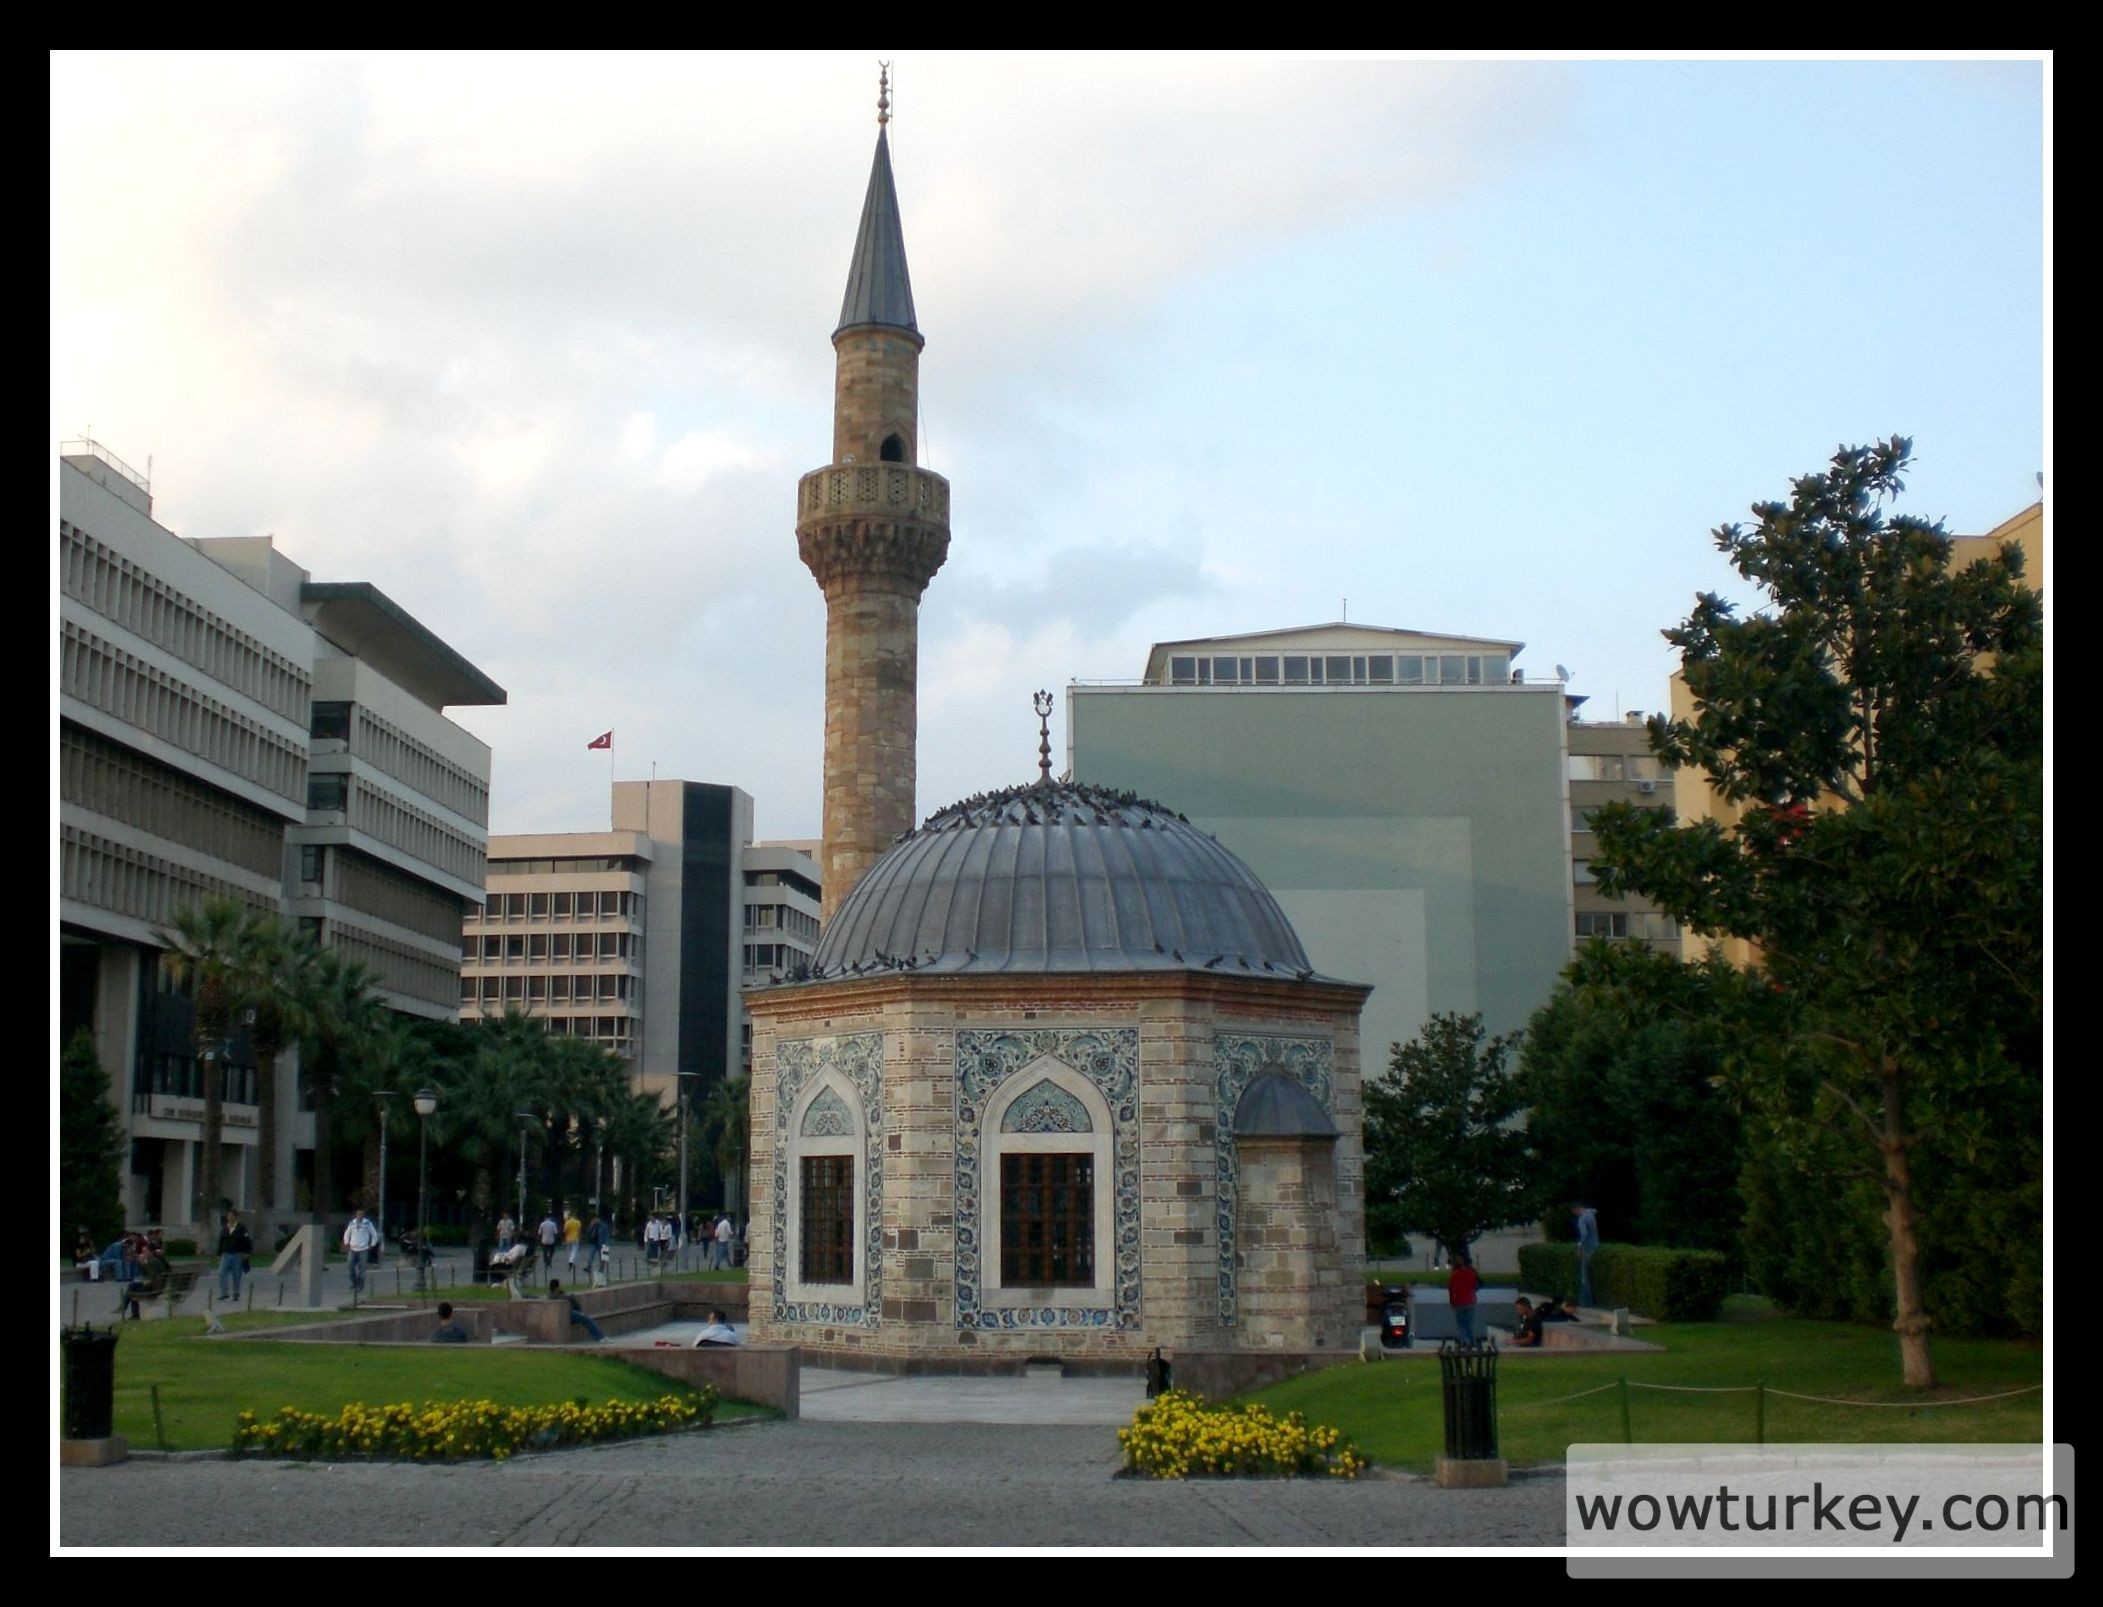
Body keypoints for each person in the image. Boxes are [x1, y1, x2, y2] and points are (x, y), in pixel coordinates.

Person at [118, 1238, 170, 1320]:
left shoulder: (152, 1261)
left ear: (150, 1252)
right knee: (133, 1286)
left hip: (154, 1288)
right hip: (160, 1286)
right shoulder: (158, 1259)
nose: (143, 1253)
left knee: (133, 1290)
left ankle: (130, 1312)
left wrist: (142, 1264)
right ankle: (124, 1307)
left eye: (145, 1251)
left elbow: (151, 1277)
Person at [216, 1208, 253, 1302]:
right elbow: (221, 1241)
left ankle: (236, 1293)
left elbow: (247, 1240)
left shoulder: (241, 1228)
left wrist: (247, 1252)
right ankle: (224, 1293)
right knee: (221, 1273)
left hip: (237, 1254)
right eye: (228, 1216)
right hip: (226, 1254)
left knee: (236, 1275)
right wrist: (219, 1253)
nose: (229, 1217)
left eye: (232, 1216)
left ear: (235, 1217)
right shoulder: (224, 1228)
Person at [343, 1207, 380, 1295]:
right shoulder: (352, 1223)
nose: (360, 1216)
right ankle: (354, 1282)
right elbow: (347, 1233)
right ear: (356, 1215)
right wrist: (346, 1243)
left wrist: (372, 1244)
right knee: (350, 1266)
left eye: (361, 1214)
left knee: (362, 1268)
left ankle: (360, 1285)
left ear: (363, 1215)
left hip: (363, 1249)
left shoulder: (367, 1223)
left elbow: (374, 1234)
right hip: (353, 1248)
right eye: (358, 1214)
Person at [1448, 1248, 1481, 1345]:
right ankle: (1472, 1341)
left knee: (1461, 1324)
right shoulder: (1471, 1273)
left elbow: (1451, 1290)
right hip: (1470, 1301)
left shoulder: (1454, 1276)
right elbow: (1475, 1286)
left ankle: (1465, 1341)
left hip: (1459, 1302)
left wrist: (1452, 1302)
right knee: (1469, 1323)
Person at [1573, 1202, 1600, 1309]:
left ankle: (1586, 1301)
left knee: (1584, 1276)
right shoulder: (1591, 1214)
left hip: (1587, 1248)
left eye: (1575, 1212)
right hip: (1596, 1245)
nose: (1575, 1214)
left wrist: (1579, 1245)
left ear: (1577, 1209)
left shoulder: (1582, 1219)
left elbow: (1584, 1234)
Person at [585, 1212, 611, 1288]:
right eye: (594, 1220)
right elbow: (588, 1232)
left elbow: (607, 1235)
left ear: (599, 1219)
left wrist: (606, 1244)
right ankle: (588, 1266)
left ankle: (601, 1270)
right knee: (591, 1254)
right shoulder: (593, 1226)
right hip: (594, 1243)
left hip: (602, 1244)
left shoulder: (604, 1226)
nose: (595, 1221)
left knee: (603, 1258)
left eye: (596, 1219)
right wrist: (591, 1225)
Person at [563, 1206, 583, 1274]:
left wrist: (565, 1235)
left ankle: (569, 1260)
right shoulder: (578, 1222)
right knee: (574, 1250)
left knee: (569, 1250)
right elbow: (579, 1231)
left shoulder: (567, 1222)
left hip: (568, 1238)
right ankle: (571, 1261)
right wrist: (579, 1236)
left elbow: (565, 1231)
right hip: (575, 1238)